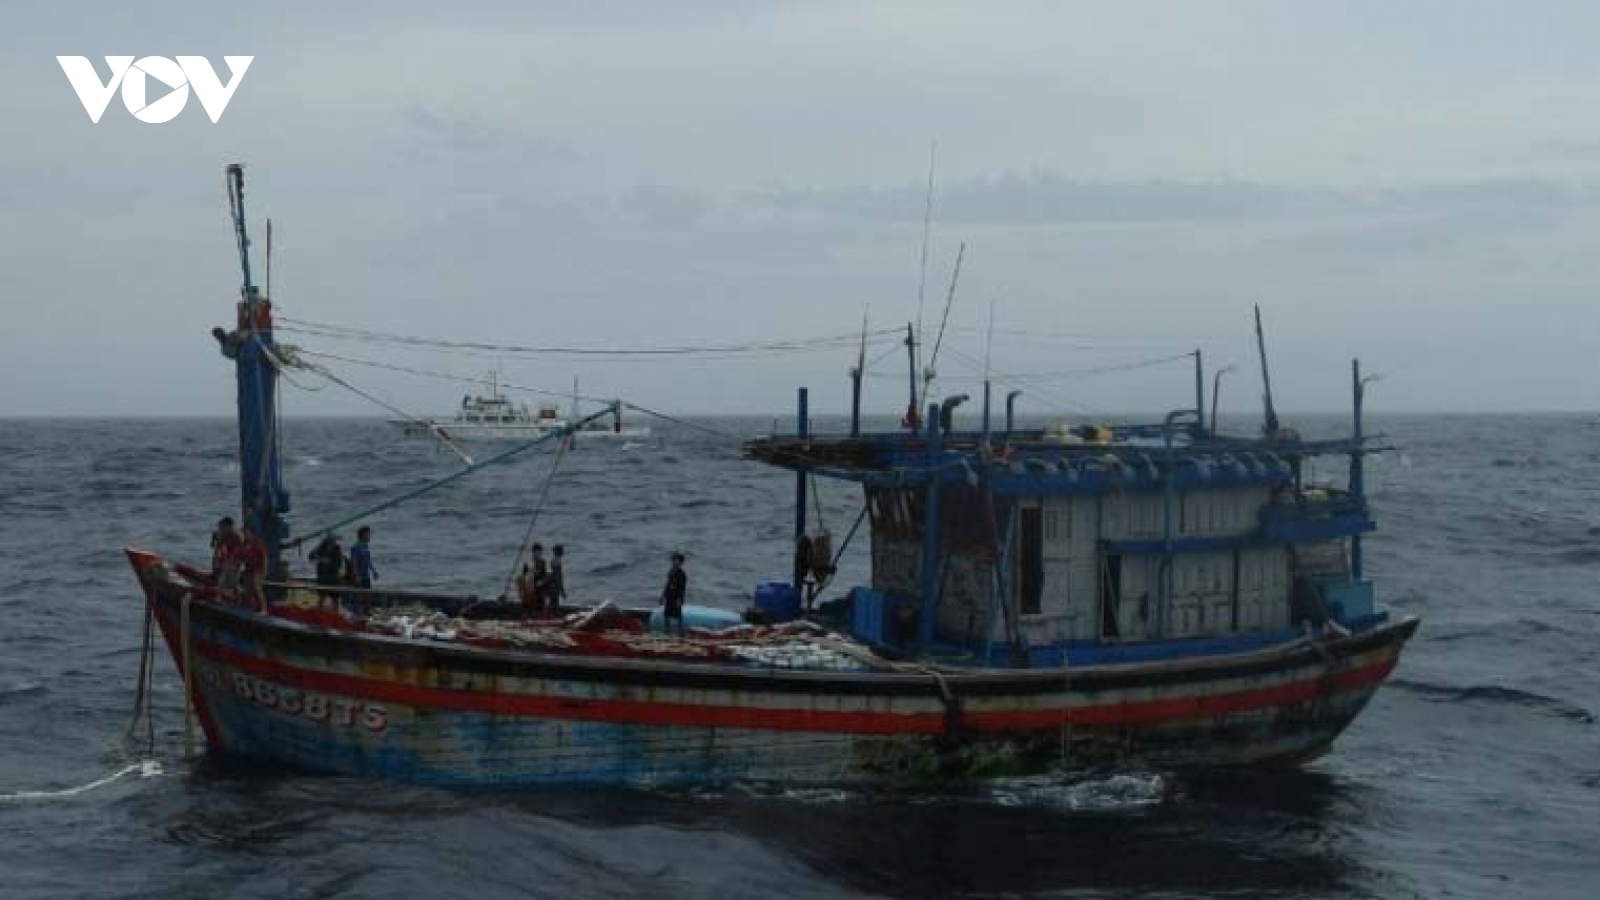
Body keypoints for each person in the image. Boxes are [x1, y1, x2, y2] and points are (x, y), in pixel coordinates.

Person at [236, 522, 268, 612]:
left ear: (252, 533)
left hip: (259, 570)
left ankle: (264, 609)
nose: (245, 535)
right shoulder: (245, 544)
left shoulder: (258, 543)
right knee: (248, 590)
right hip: (249, 569)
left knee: (256, 587)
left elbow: (265, 557)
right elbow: (241, 557)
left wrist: (265, 570)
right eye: (244, 533)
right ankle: (250, 607)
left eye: (246, 533)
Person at [309, 533, 345, 606]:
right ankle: (318, 613)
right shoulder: (321, 548)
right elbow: (311, 556)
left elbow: (339, 564)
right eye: (332, 540)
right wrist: (320, 558)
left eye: (334, 540)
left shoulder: (337, 549)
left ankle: (335, 614)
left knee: (335, 599)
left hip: (333, 578)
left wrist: (329, 562)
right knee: (322, 597)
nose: (334, 542)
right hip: (322, 577)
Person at [660, 552, 687, 636]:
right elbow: (667, 584)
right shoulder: (671, 572)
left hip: (677, 597)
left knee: (678, 615)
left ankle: (681, 633)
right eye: (674, 560)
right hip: (669, 596)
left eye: (677, 561)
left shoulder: (682, 574)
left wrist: (680, 599)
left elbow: (682, 588)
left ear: (681, 562)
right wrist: (662, 596)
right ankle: (667, 631)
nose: (675, 562)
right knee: (666, 614)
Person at [210, 517, 241, 581]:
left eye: (221, 528)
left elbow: (238, 556)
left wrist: (224, 565)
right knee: (217, 558)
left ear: (228, 527)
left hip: (240, 563)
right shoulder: (224, 536)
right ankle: (215, 576)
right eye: (220, 528)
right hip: (230, 561)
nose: (220, 530)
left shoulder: (237, 537)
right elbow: (216, 549)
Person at [528, 543, 552, 615]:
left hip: (542, 587)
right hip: (532, 586)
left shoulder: (544, 562)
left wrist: (542, 581)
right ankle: (533, 615)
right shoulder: (530, 562)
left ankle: (542, 615)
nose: (537, 554)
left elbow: (549, 574)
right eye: (535, 552)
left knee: (542, 601)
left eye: (539, 552)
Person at [550, 545, 568, 610]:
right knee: (554, 603)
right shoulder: (557, 562)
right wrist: (562, 591)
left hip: (552, 584)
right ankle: (552, 616)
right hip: (555, 586)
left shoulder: (553, 560)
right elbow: (558, 578)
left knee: (552, 602)